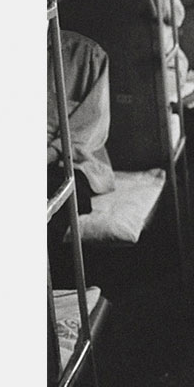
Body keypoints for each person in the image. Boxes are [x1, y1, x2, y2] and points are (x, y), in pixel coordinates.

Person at [47, 29, 116, 273]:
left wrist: (48, 153)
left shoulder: (88, 56)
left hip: (72, 163)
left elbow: (90, 132)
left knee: (52, 199)